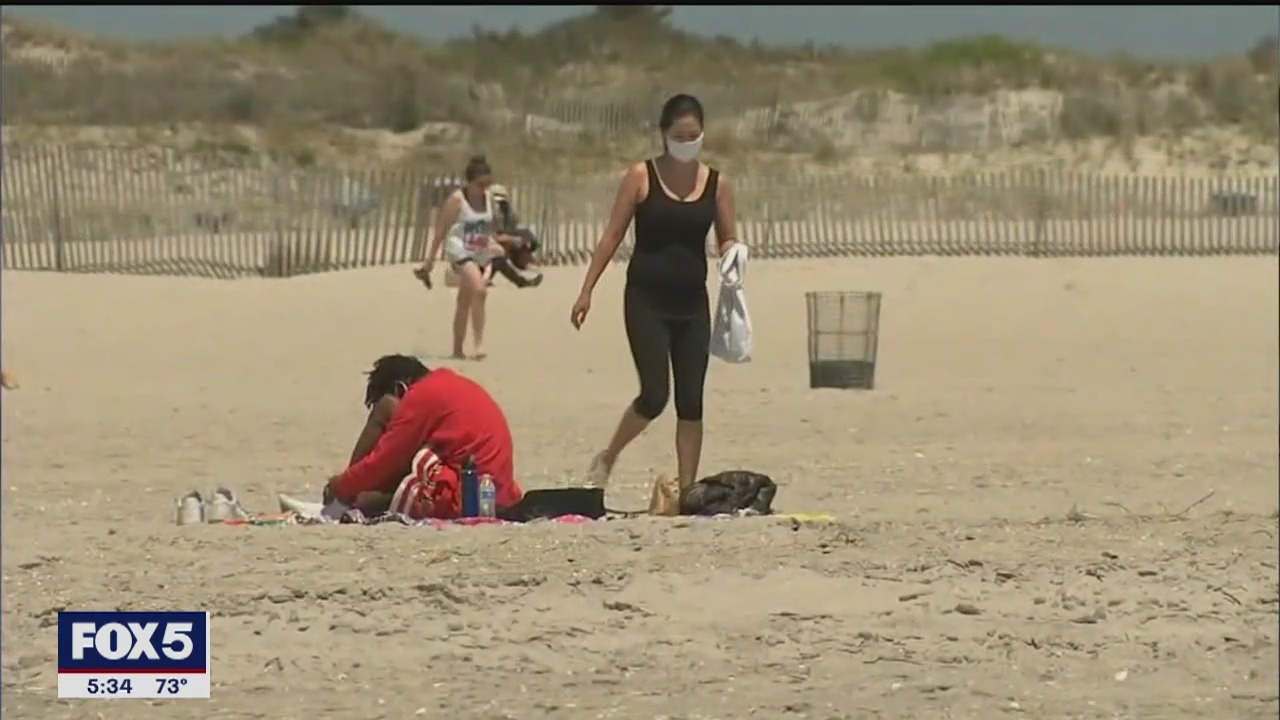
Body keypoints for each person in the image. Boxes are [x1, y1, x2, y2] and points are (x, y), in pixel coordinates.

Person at [569, 94, 739, 492]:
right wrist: (586, 290)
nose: (688, 143)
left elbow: (727, 237)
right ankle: (608, 456)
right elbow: (612, 235)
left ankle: (688, 488)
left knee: (691, 400)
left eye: (694, 136)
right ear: (664, 135)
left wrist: (735, 256)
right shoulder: (641, 176)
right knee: (655, 393)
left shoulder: (717, 184)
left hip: (692, 303)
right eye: (680, 137)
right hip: (646, 299)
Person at [323, 354, 523, 520]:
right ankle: (353, 494)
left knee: (385, 409)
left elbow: (385, 460)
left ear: (400, 388)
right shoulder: (449, 384)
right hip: (497, 495)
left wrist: (341, 485)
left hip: (466, 499)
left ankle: (342, 500)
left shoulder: (420, 396)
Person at [414, 155, 537, 360]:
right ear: (469, 182)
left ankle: (457, 349)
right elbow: (440, 232)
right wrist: (429, 263)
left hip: (479, 251)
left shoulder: (489, 199)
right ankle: (479, 345)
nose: (483, 188)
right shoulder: (457, 200)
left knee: (464, 299)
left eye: (487, 184)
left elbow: (492, 230)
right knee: (480, 290)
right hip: (459, 249)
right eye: (480, 184)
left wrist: (498, 243)